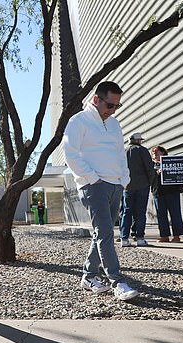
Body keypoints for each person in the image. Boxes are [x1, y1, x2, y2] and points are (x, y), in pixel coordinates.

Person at [62, 81, 139, 301]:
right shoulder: (78, 121)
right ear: (96, 100)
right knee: (106, 233)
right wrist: (92, 178)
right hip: (93, 186)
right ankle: (117, 281)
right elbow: (70, 153)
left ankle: (88, 275)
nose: (113, 110)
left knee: (101, 233)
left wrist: (124, 180)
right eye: (110, 105)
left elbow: (120, 154)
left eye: (117, 106)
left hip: (116, 185)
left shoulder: (114, 124)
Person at [120, 132, 156, 247]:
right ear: (138, 140)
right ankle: (140, 238)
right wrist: (151, 183)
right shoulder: (143, 151)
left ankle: (124, 238)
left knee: (126, 212)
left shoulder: (123, 152)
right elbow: (150, 169)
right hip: (142, 185)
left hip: (127, 186)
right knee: (140, 212)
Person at [151, 145, 183, 242]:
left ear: (163, 153)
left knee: (175, 214)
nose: (154, 154)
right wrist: (156, 173)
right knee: (161, 215)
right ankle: (164, 236)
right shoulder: (151, 165)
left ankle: (177, 236)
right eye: (153, 153)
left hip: (172, 191)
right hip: (158, 192)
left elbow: (182, 173)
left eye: (156, 152)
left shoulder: (172, 163)